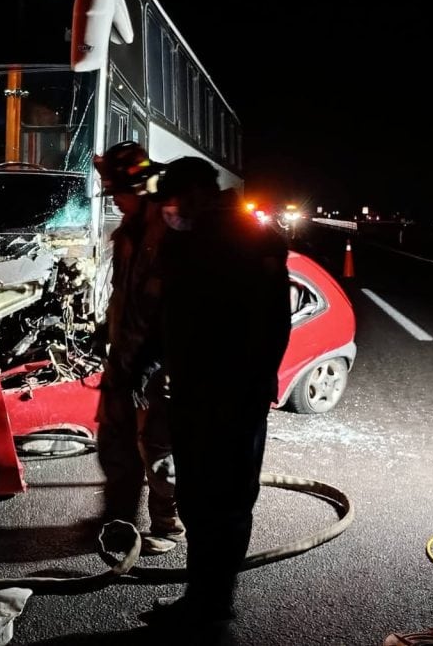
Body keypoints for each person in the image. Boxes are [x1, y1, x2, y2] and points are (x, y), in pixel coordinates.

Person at [141, 156, 292, 639]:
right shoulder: (192, 238)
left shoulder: (241, 240)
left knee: (220, 500)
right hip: (201, 390)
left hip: (228, 394)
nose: (171, 211)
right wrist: (150, 360)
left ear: (201, 195)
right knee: (204, 498)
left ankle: (212, 606)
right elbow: (172, 314)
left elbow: (272, 321)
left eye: (176, 201)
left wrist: (257, 379)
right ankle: (203, 598)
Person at [91, 141, 185, 555]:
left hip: (158, 364)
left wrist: (153, 362)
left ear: (140, 185)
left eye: (117, 191)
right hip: (126, 356)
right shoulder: (128, 232)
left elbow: (175, 307)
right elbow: (123, 295)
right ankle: (118, 520)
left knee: (158, 445)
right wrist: (105, 331)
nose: (113, 199)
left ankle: (168, 525)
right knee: (116, 441)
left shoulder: (168, 232)